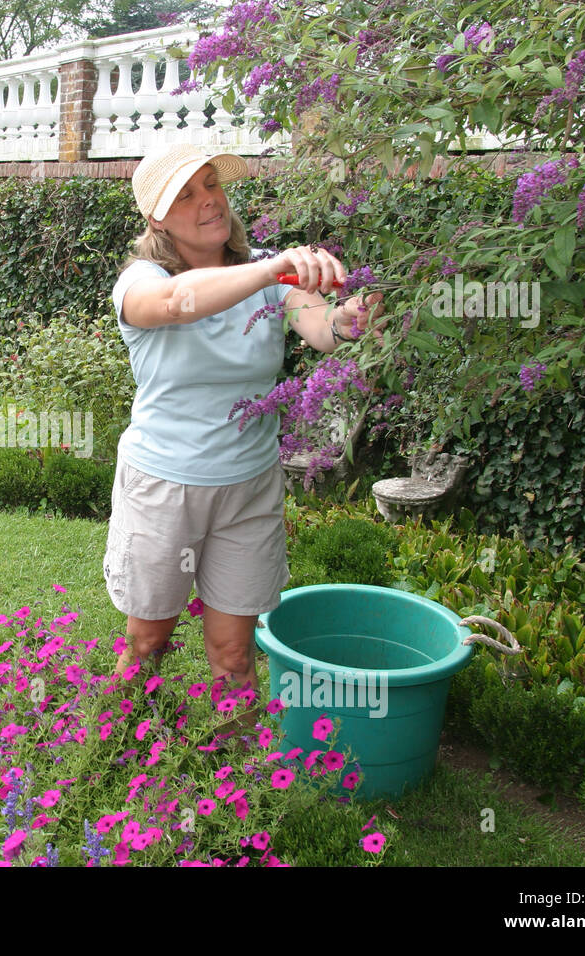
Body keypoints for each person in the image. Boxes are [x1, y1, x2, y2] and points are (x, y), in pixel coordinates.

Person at [105, 142, 385, 701]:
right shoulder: (142, 280)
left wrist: (354, 319)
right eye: (186, 195)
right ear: (157, 218)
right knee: (146, 646)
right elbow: (175, 301)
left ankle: (238, 780)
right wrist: (270, 271)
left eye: (211, 185)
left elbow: (323, 327)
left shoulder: (265, 269)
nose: (208, 201)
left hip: (249, 487)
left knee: (234, 656)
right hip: (165, 485)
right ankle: (116, 759)